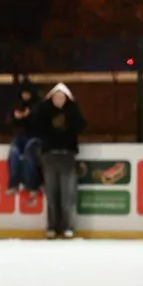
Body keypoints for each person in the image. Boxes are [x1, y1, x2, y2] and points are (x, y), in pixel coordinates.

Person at [31, 83, 87, 239]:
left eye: (62, 97)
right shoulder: (44, 112)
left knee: (67, 195)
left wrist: (71, 112)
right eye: (56, 97)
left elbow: (81, 125)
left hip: (67, 156)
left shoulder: (72, 112)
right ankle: (52, 227)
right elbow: (36, 126)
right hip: (49, 156)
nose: (59, 100)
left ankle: (68, 227)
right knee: (52, 195)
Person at [7, 79, 40, 193]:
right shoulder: (17, 105)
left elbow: (41, 120)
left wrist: (29, 114)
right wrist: (15, 117)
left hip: (35, 137)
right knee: (14, 151)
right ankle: (13, 183)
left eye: (28, 93)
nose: (26, 95)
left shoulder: (37, 105)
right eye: (24, 93)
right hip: (21, 136)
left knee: (29, 152)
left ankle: (31, 184)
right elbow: (9, 121)